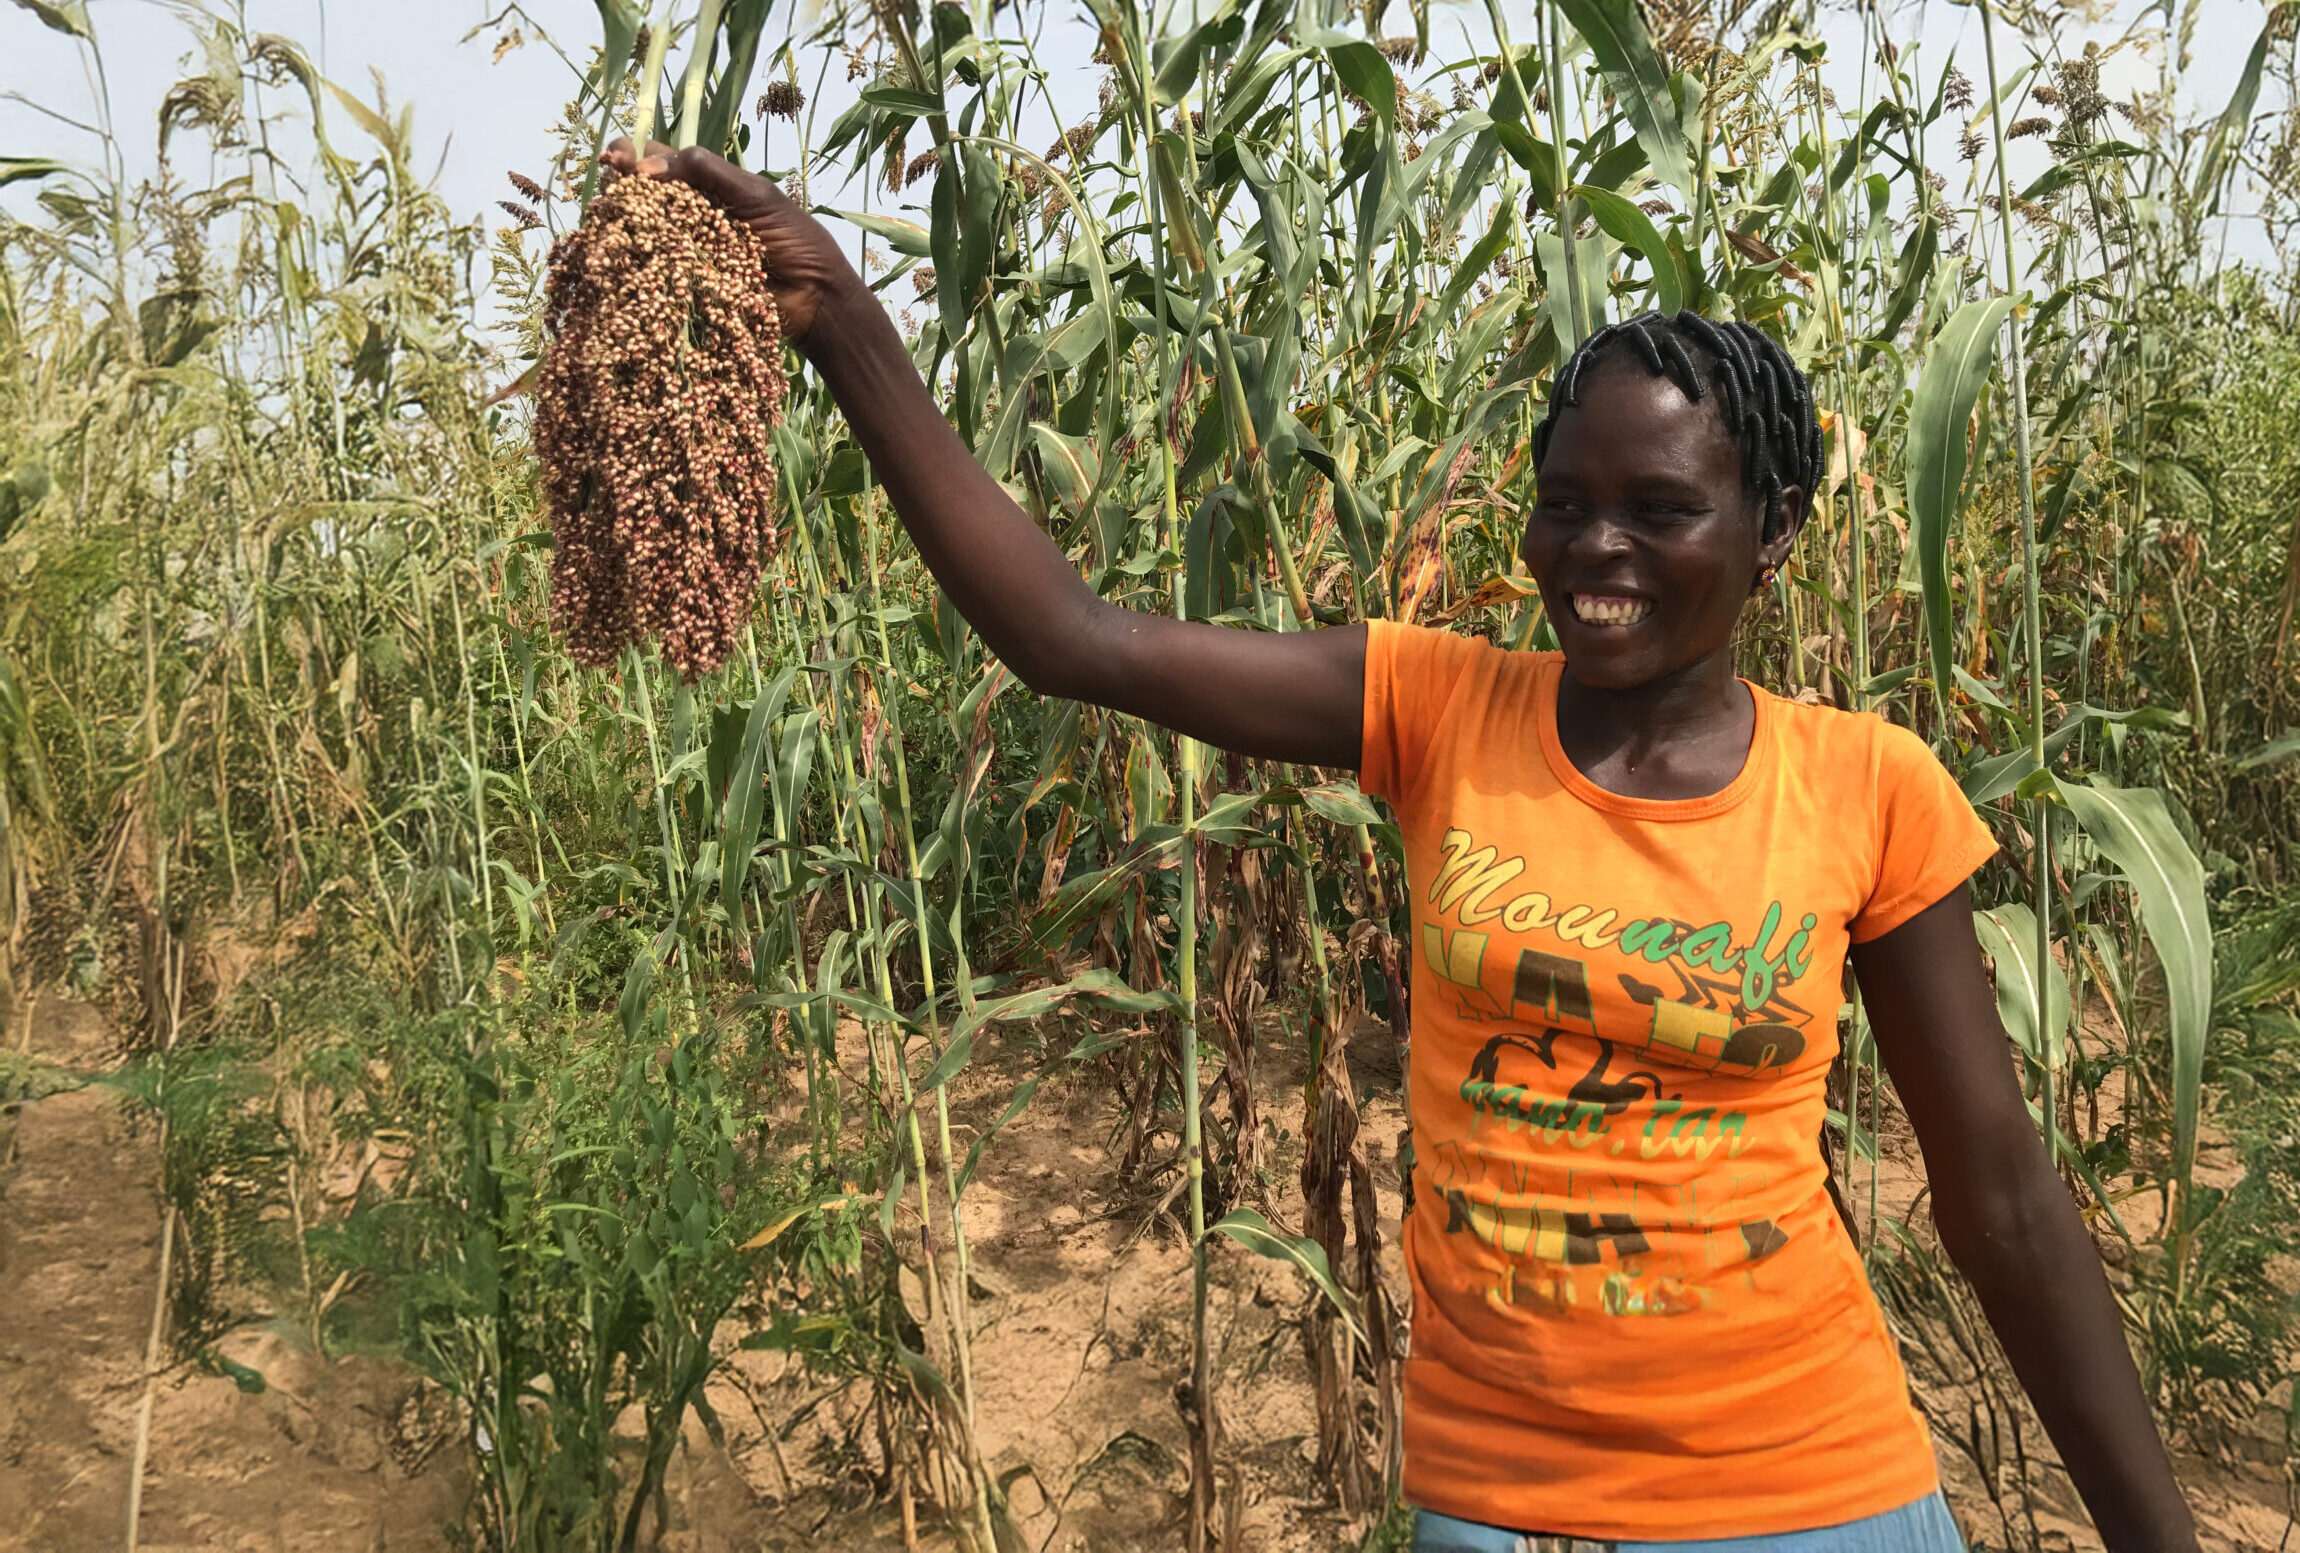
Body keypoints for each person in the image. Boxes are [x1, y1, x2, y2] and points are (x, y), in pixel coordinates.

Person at [598, 139, 2200, 1553]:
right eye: (1563, 502)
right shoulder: (1438, 708)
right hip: (1504, 1494)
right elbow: (1075, 636)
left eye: (1661, 508)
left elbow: (2002, 1199)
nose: (1597, 550)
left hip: (1806, 1481)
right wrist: (844, 323)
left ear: (1773, 528)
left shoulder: (1868, 786)